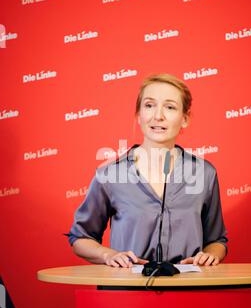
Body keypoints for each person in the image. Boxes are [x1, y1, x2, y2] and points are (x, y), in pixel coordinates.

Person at [65, 73, 228, 268]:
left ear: (185, 119)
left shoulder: (204, 173)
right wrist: (108, 255)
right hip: (127, 293)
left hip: (189, 291)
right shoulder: (110, 174)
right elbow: (80, 237)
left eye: (170, 107)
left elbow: (217, 241)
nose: (157, 116)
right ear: (138, 115)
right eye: (149, 105)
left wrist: (209, 256)